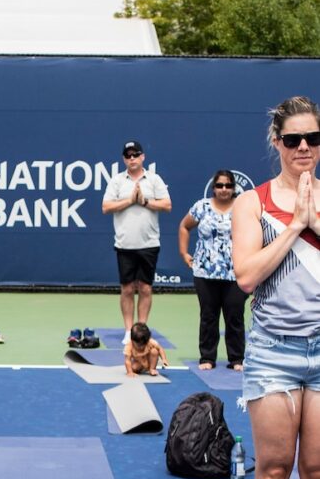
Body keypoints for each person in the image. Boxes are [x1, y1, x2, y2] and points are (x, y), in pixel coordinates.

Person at [230, 95, 320, 479]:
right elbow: (245, 276)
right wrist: (293, 227)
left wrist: (314, 221)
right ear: (277, 141)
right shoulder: (253, 203)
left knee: (318, 475)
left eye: (312, 138)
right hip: (273, 352)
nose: (303, 147)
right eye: (293, 139)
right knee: (273, 471)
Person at [102, 140, 171, 339]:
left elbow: (167, 205)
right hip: (125, 243)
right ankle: (128, 331)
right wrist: (130, 201)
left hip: (149, 243)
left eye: (135, 155)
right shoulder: (117, 181)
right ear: (124, 159)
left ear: (143, 157)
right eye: (128, 155)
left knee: (145, 288)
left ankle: (141, 330)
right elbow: (106, 207)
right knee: (127, 288)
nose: (132, 159)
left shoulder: (154, 180)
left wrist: (145, 201)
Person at [179, 170, 246, 371]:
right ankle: (207, 357)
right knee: (208, 316)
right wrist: (184, 253)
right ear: (213, 187)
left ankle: (236, 359)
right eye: (219, 185)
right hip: (205, 273)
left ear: (234, 188)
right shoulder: (202, 207)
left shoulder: (243, 207)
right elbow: (184, 226)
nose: (224, 189)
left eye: (228, 185)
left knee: (235, 315)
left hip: (235, 272)